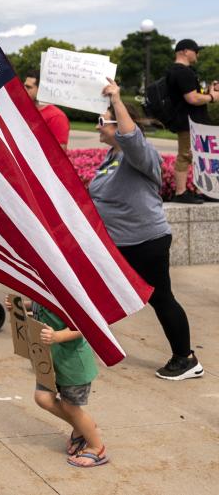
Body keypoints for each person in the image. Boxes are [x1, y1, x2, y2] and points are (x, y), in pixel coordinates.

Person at [93, 79, 202, 381]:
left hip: (145, 241)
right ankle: (75, 340)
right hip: (121, 243)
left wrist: (115, 96)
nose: (97, 127)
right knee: (98, 289)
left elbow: (131, 136)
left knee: (161, 297)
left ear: (117, 123)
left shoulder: (139, 154)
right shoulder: (112, 157)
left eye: (102, 121)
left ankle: (186, 358)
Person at [4, 296, 104, 467]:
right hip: (49, 361)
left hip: (73, 365)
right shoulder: (46, 286)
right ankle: (81, 427)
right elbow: (43, 306)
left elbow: (85, 324)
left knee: (70, 407)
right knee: (43, 398)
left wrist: (58, 336)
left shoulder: (68, 290)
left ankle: (97, 447)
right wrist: (21, 306)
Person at [165, 39, 219, 203]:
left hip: (190, 121)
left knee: (198, 156)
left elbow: (193, 94)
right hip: (189, 122)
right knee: (186, 156)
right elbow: (192, 98)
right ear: (184, 51)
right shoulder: (182, 72)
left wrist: (209, 91)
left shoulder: (178, 71)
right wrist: (212, 97)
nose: (198, 54)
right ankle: (181, 192)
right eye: (195, 50)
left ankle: (201, 190)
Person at [24, 71, 70, 150]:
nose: (24, 90)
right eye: (24, 86)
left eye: (29, 87)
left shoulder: (56, 116)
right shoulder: (24, 110)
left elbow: (59, 152)